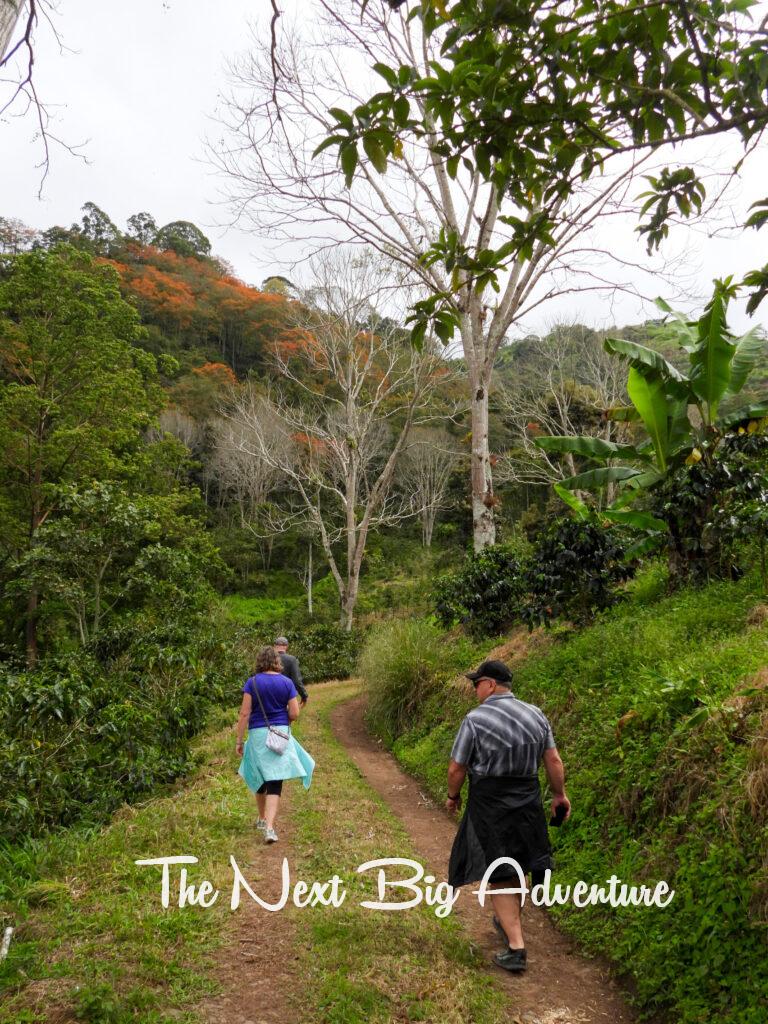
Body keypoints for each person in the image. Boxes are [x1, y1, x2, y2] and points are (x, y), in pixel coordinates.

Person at [446, 659, 570, 974]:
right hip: (527, 801)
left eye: (476, 683)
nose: (475, 689)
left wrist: (453, 796)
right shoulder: (536, 714)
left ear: (489, 684)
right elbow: (553, 760)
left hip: (490, 804)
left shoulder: (475, 720)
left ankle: (516, 948)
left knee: (499, 871)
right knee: (517, 863)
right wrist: (559, 795)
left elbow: (456, 768)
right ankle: (507, 921)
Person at [236, 646, 315, 844]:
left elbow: (245, 713)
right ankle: (269, 827)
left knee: (260, 776)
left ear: (259, 661)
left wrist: (239, 740)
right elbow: (295, 713)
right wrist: (284, 721)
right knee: (275, 780)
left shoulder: (251, 683)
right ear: (277, 662)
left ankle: (262, 818)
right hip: (279, 734)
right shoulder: (287, 683)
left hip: (257, 735)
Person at [274, 635, 308, 706]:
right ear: (286, 646)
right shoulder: (292, 659)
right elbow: (297, 680)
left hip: (268, 693)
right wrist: (304, 695)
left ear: (275, 646)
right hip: (286, 695)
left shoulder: (267, 658)